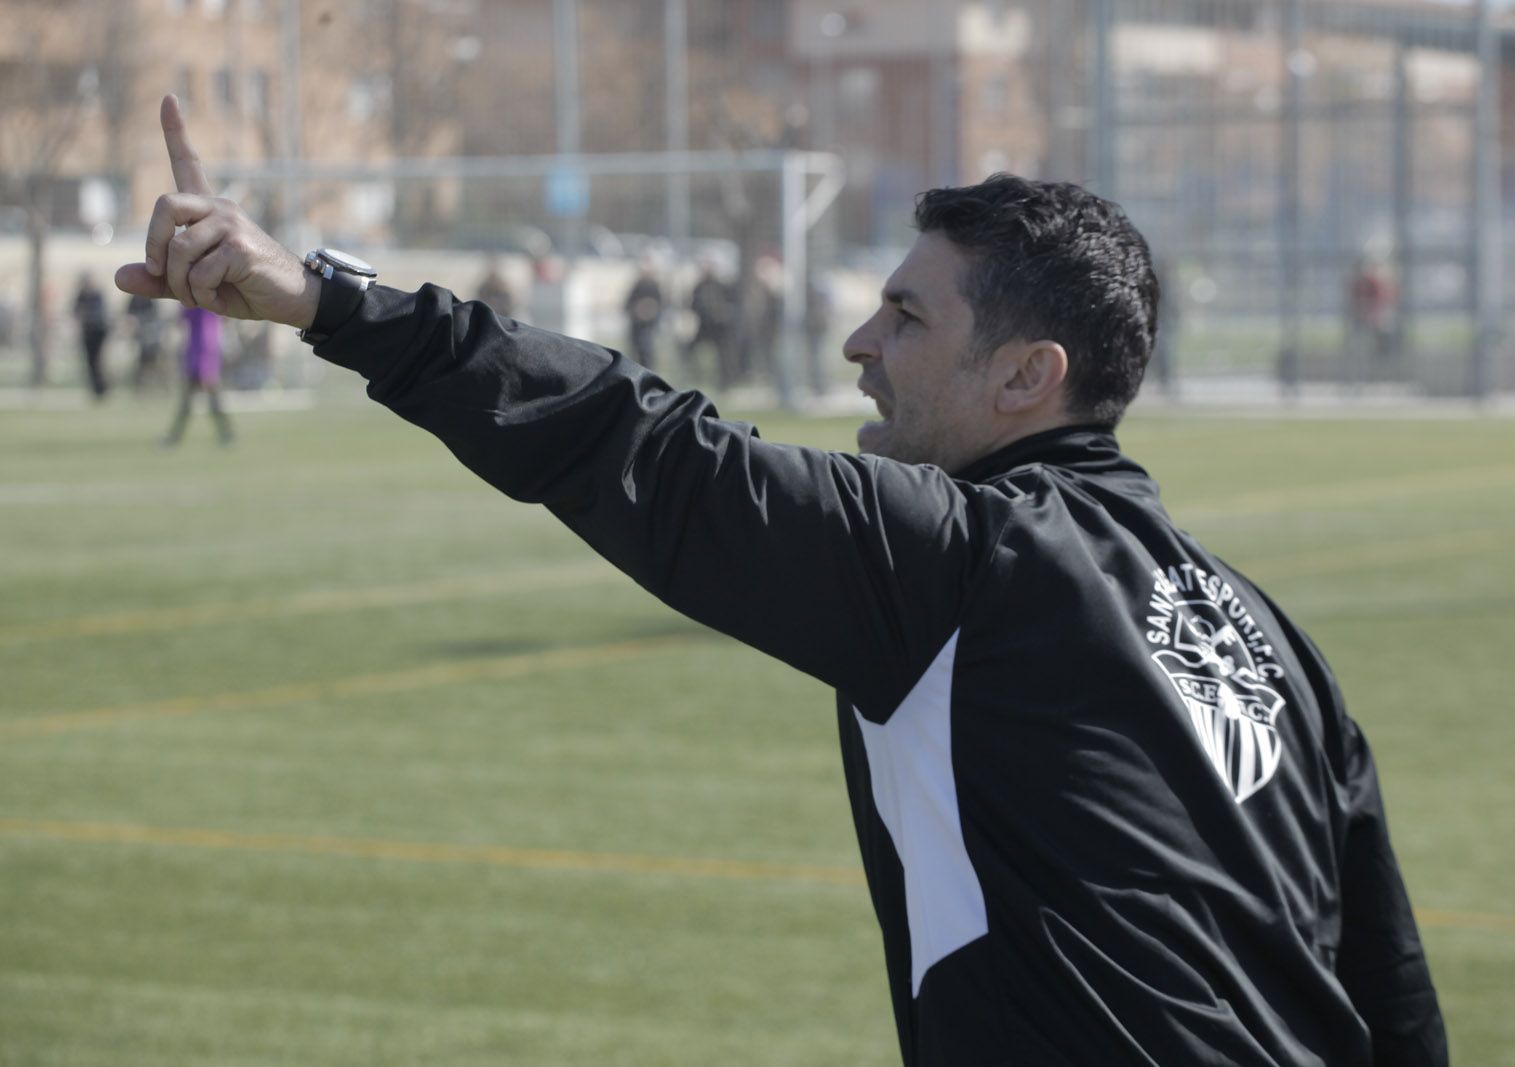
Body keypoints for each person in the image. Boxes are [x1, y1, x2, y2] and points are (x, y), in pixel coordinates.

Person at [117, 95, 1447, 1067]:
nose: (860, 340)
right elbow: (1388, 988)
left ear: (1025, 376)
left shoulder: (961, 558)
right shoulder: (1272, 637)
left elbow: (637, 444)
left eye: (907, 316)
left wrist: (329, 302)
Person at [161, 304, 234, 447]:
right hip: (198, 349)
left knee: (207, 398)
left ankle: (226, 434)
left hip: (204, 350)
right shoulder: (201, 302)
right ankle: (226, 434)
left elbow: (180, 320)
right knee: (193, 400)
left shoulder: (199, 302)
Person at [685, 255, 736, 387]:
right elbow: (693, 305)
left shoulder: (722, 286)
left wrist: (722, 313)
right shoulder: (699, 286)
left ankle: (726, 381)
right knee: (691, 350)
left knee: (723, 355)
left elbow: (730, 305)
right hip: (704, 325)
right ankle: (693, 376)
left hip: (719, 328)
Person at [72, 273, 111, 401]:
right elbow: (75, 311)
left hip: (98, 331)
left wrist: (85, 313)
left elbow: (98, 313)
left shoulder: (97, 295)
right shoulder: (81, 296)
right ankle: (96, 389)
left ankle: (102, 388)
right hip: (87, 331)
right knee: (90, 361)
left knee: (98, 360)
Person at [621, 256, 665, 370]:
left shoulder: (654, 286)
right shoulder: (637, 285)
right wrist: (635, 311)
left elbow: (660, 306)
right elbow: (628, 304)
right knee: (634, 352)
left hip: (648, 326)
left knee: (646, 352)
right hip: (636, 324)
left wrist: (649, 313)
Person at [126, 292, 166, 390]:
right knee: (141, 360)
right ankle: (139, 384)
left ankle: (161, 383)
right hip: (141, 335)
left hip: (152, 334)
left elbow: (155, 315)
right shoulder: (134, 298)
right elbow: (130, 313)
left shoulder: (151, 297)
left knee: (155, 360)